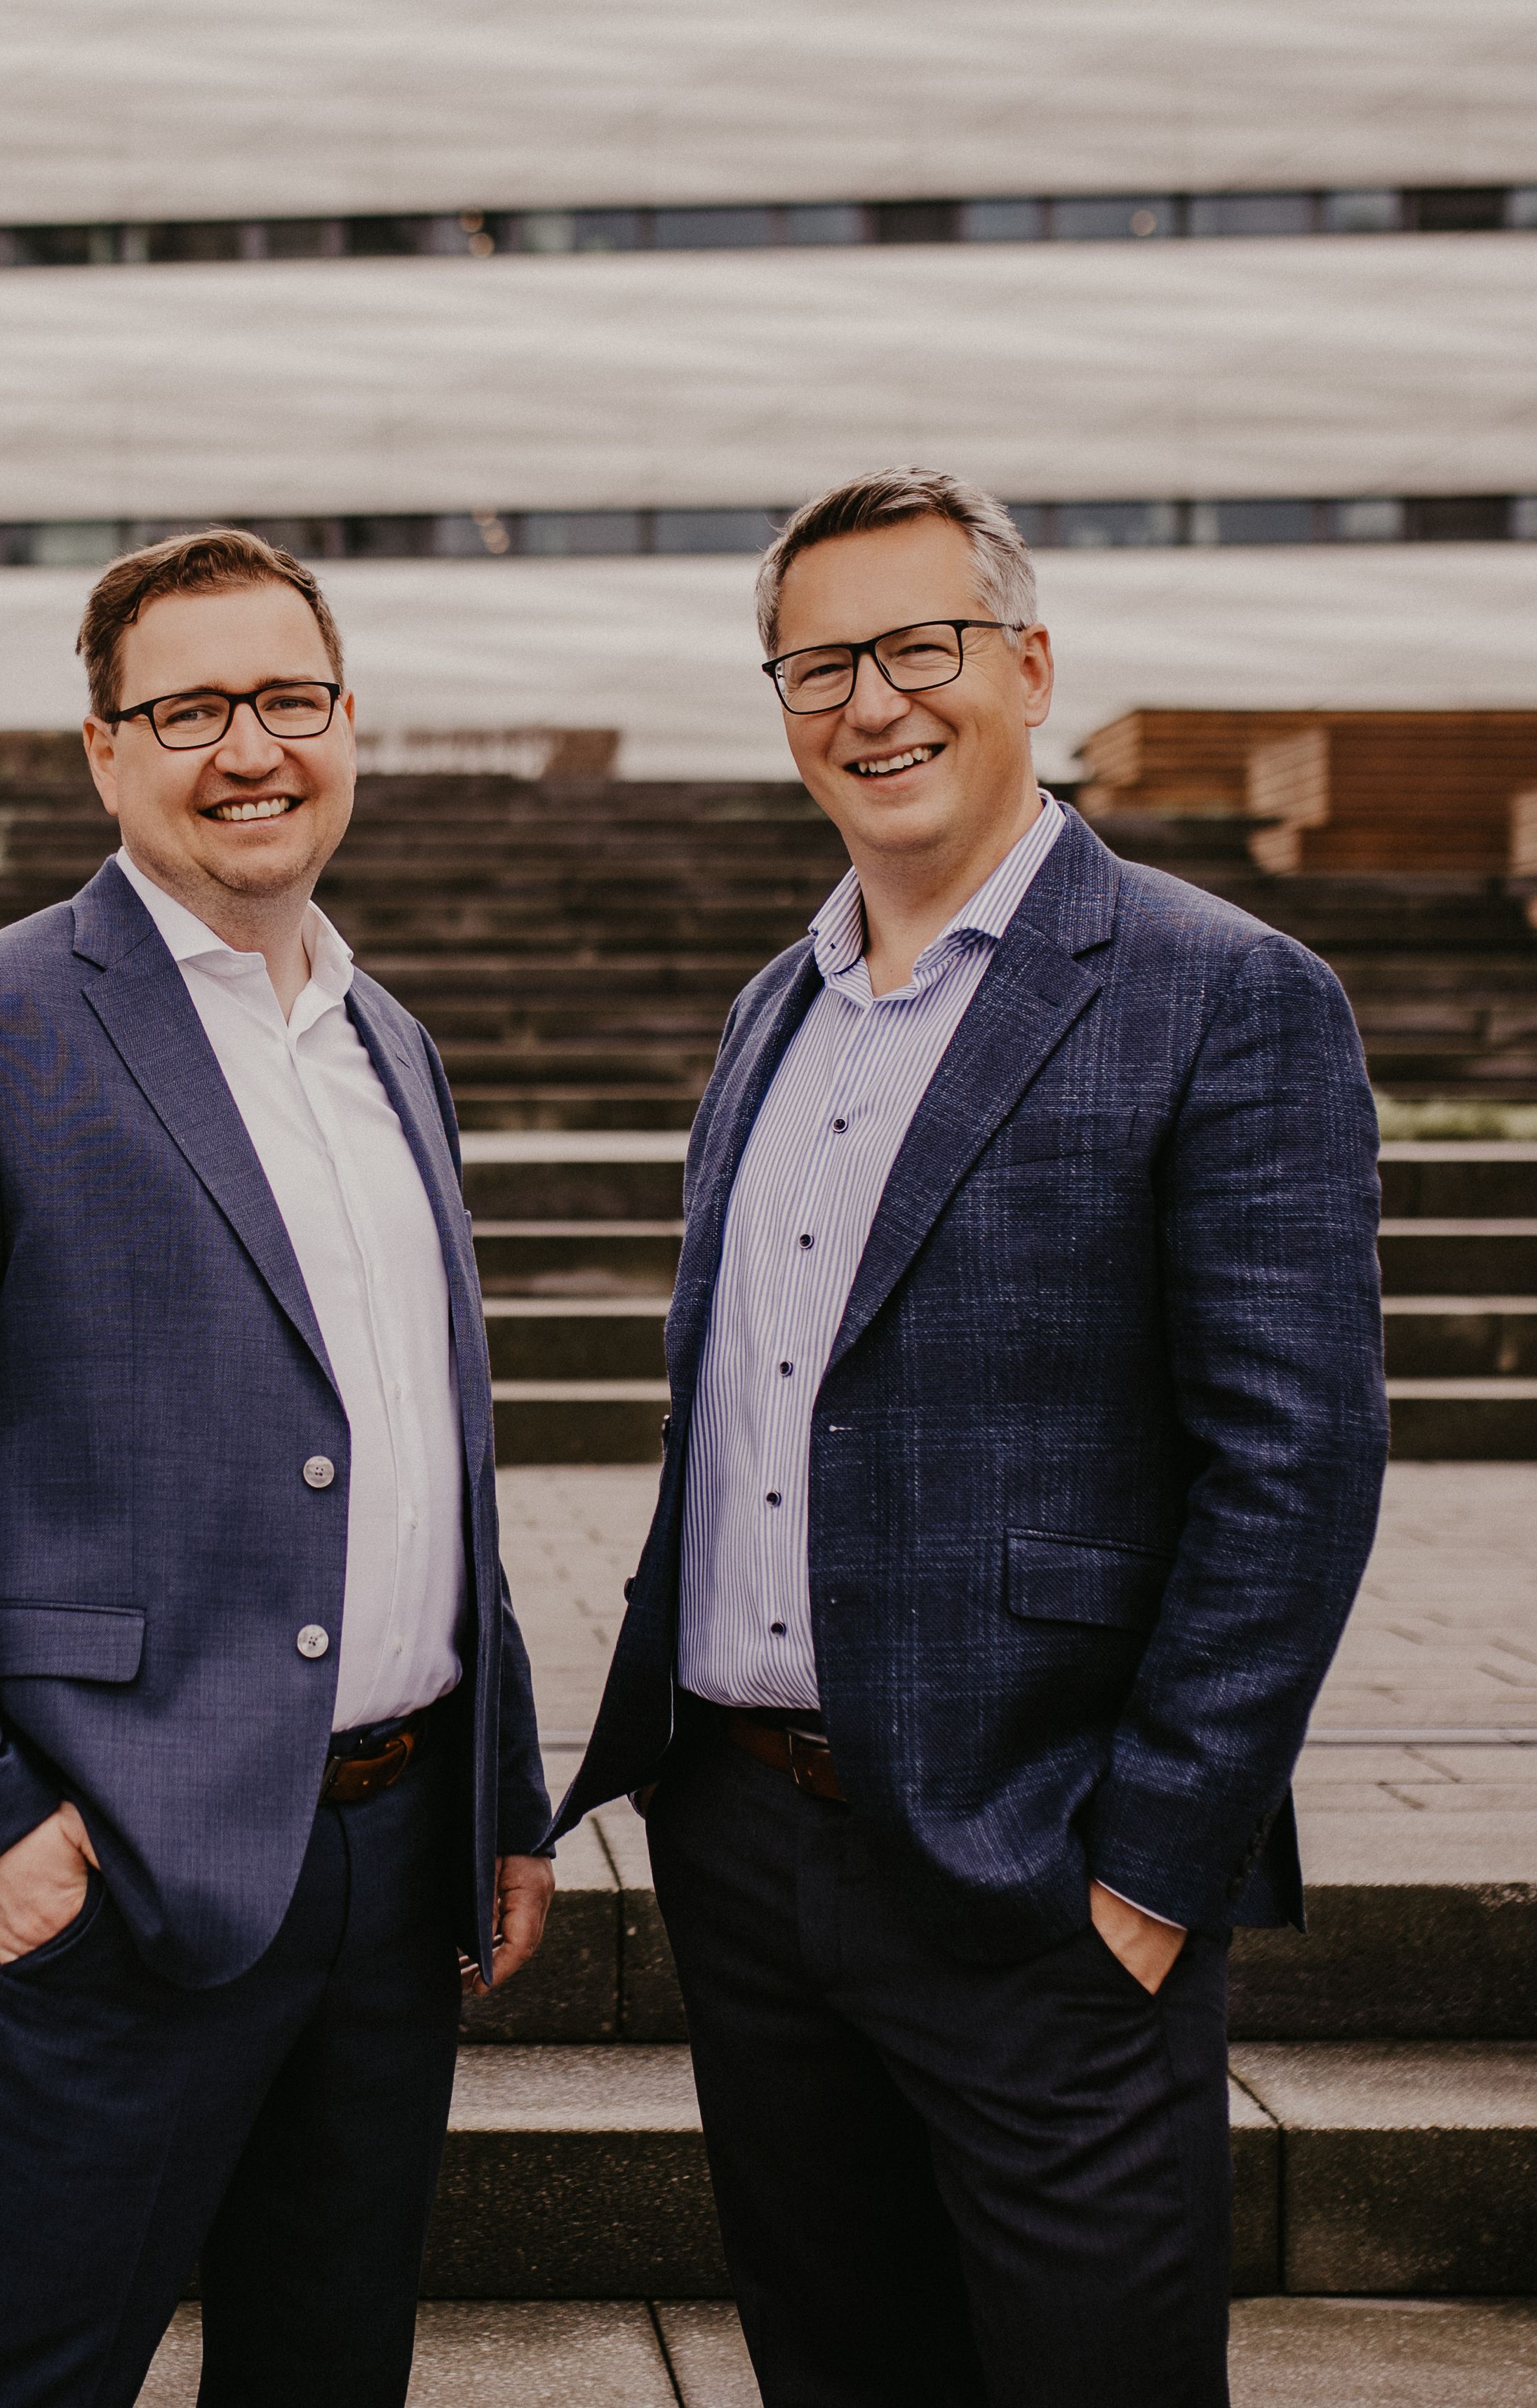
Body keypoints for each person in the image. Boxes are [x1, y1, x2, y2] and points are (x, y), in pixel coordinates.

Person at [549, 467, 1387, 2407]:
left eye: (917, 646)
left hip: (1041, 1863)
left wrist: (1151, 1874)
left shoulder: (1224, 996)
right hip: (749, 1852)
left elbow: (1294, 1471)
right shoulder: (779, 1008)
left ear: (1025, 663)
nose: (870, 702)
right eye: (815, 663)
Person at [0, 526, 555, 2408]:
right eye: (188, 707)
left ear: (351, 722)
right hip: (111, 1864)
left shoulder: (392, 1043)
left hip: (388, 1866)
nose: (249, 749)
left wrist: (501, 1793)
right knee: (32, 2378)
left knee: (327, 2369)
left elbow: (427, 1449)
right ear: (105, 750)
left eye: (287, 698)